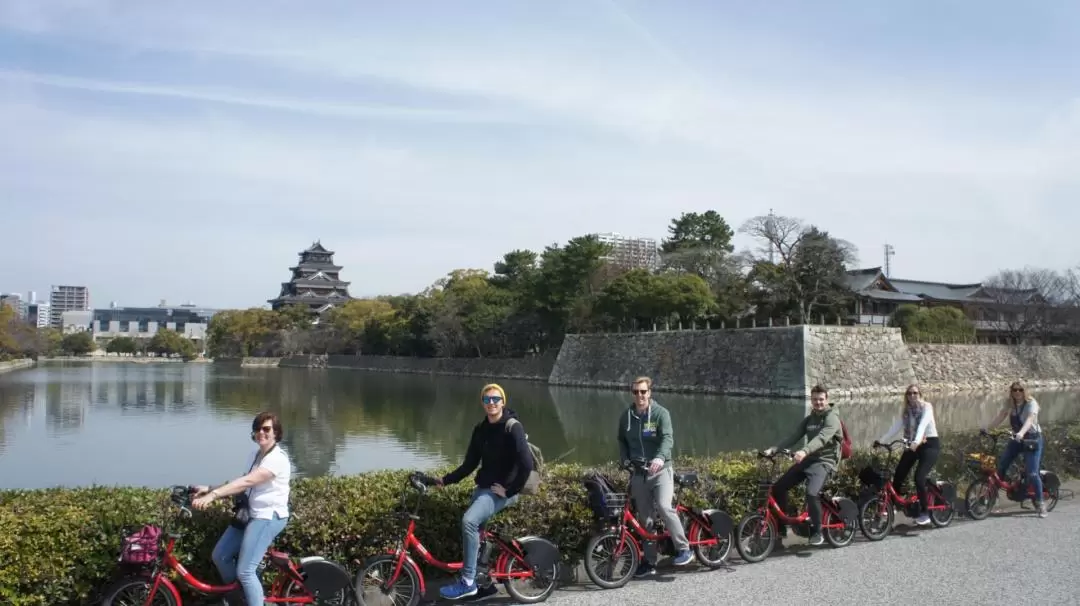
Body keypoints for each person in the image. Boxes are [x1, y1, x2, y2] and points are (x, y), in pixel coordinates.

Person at [436, 383, 534, 601]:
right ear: (482, 403)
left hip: (501, 492)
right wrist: (444, 480)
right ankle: (485, 585)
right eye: (487, 400)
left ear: (503, 401)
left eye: (496, 399)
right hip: (483, 490)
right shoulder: (480, 430)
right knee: (478, 536)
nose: (492, 403)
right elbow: (469, 464)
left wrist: (509, 491)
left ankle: (468, 581)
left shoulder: (512, 426)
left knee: (469, 522)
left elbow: (526, 464)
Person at [191, 411, 292, 606]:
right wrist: (208, 488)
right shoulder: (254, 455)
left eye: (266, 429)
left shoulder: (277, 459)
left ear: (276, 432)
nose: (261, 433)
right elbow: (241, 484)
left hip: (267, 517)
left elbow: (247, 481)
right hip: (249, 515)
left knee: (246, 571)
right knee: (220, 556)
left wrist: (213, 496)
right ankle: (241, 597)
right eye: (257, 429)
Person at [618, 376, 694, 577]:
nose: (640, 396)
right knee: (646, 520)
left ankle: (685, 549)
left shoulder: (661, 414)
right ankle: (650, 562)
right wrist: (624, 459)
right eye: (636, 392)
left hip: (661, 471)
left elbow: (668, 438)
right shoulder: (627, 416)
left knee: (663, 506)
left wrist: (660, 458)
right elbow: (621, 441)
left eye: (643, 391)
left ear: (650, 393)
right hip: (639, 473)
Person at [763, 384, 842, 547]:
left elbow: (822, 438)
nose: (818, 402)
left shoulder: (832, 418)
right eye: (815, 400)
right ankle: (780, 530)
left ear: (827, 400)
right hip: (809, 460)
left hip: (825, 461)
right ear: (811, 400)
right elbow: (794, 436)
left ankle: (818, 531)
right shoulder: (809, 419)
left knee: (812, 493)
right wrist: (774, 449)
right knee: (778, 488)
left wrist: (804, 451)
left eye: (821, 399)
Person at [875, 384, 940, 525]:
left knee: (919, 477)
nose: (912, 396)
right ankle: (893, 507)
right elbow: (896, 427)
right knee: (898, 475)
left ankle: (925, 512)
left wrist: (916, 441)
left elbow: (922, 425)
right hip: (913, 445)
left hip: (929, 445)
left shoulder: (926, 407)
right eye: (909, 393)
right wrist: (881, 441)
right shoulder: (907, 411)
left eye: (915, 393)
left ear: (920, 394)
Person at [981, 380, 1047, 518]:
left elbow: (1030, 420)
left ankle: (1041, 503)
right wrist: (988, 428)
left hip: (1032, 439)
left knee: (1033, 473)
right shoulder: (1010, 403)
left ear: (1025, 391)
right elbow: (1001, 416)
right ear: (1011, 391)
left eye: (1020, 390)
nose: (1017, 392)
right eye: (1014, 390)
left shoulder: (1031, 403)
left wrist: (1022, 433)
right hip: (1017, 438)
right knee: (1002, 464)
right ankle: (993, 500)